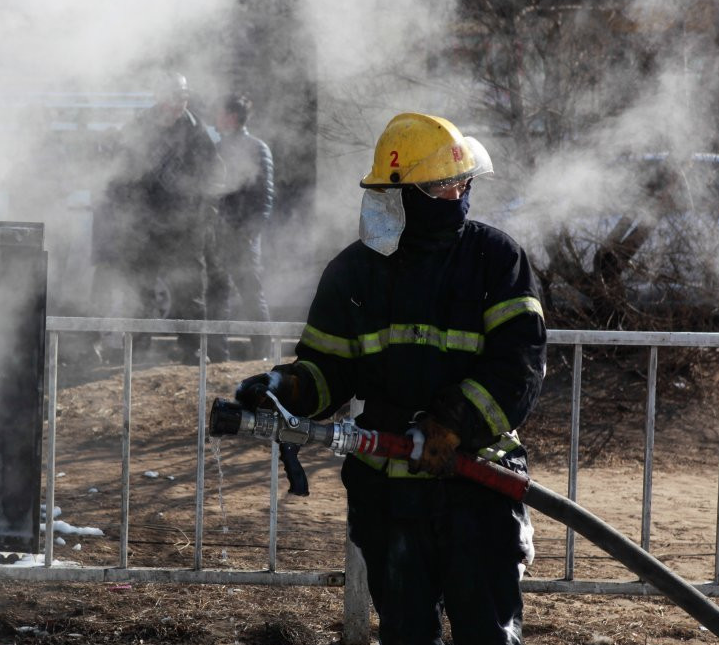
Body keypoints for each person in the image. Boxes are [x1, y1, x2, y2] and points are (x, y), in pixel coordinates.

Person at [233, 112, 547, 644]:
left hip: (476, 485)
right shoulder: (354, 273)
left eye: (462, 181)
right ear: (405, 196)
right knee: (405, 635)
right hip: (391, 496)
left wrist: (452, 425)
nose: (460, 193)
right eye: (445, 185)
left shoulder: (495, 259)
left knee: (487, 634)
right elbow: (328, 367)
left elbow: (518, 367)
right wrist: (286, 387)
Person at [91, 72, 221, 364]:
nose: (179, 104)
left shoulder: (197, 130)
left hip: (184, 226)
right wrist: (128, 216)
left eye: (184, 97)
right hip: (145, 225)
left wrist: (204, 213)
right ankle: (138, 348)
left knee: (190, 289)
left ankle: (192, 348)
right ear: (158, 97)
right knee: (141, 290)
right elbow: (119, 176)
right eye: (173, 97)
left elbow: (214, 175)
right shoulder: (138, 129)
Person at [206, 92, 275, 362]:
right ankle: (216, 356)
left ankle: (262, 355)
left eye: (219, 113)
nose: (215, 118)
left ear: (231, 117)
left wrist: (250, 232)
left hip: (243, 234)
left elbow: (265, 196)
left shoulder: (257, 149)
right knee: (216, 293)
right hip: (218, 233)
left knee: (250, 292)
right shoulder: (217, 149)